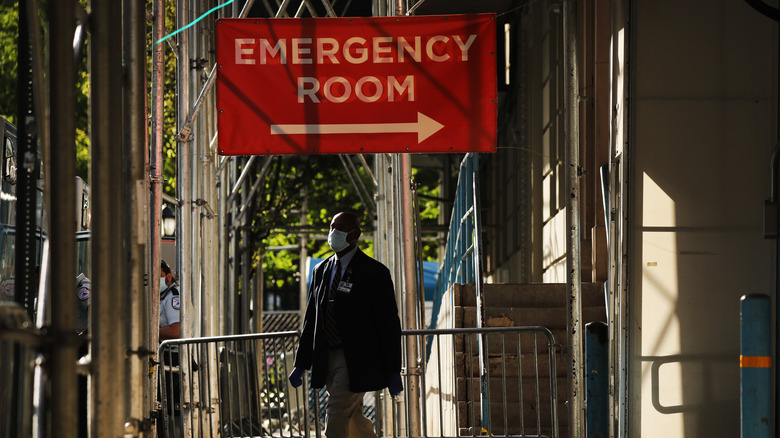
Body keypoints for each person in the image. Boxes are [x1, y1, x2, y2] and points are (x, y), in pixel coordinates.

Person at [288, 211, 403, 438]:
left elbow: (388, 324)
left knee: (337, 411)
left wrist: (392, 369)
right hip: (326, 355)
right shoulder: (321, 270)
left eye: (339, 230)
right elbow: (312, 318)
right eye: (331, 228)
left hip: (356, 357)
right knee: (352, 415)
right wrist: (301, 363)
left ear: (355, 234)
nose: (333, 234)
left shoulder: (374, 273)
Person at [159, 260, 180, 340]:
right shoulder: (163, 295)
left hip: (173, 351)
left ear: (169, 277)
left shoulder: (173, 295)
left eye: (159, 276)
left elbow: (176, 331)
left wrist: (150, 331)